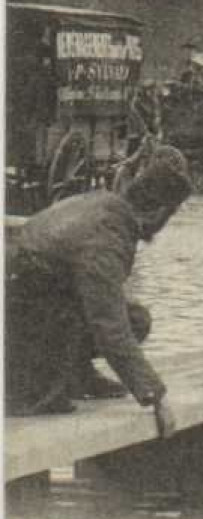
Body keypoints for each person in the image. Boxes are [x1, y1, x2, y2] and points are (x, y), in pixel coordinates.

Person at [5, 147, 192, 439]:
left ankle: (78, 376)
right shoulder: (107, 237)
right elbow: (109, 326)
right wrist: (155, 395)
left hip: (31, 296)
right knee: (108, 321)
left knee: (136, 319)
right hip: (23, 316)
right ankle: (43, 384)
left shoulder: (104, 203)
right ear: (156, 211)